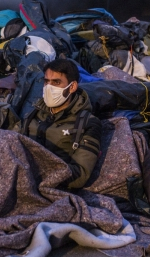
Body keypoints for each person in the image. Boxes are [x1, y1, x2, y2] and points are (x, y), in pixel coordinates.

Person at [16, 59, 102, 189]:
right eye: (46, 82)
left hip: (51, 187)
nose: (49, 87)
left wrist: (35, 174)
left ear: (72, 87)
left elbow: (80, 175)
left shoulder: (87, 123)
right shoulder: (33, 114)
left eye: (56, 82)